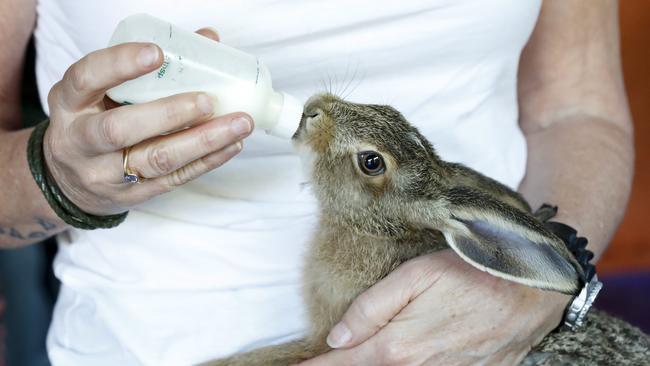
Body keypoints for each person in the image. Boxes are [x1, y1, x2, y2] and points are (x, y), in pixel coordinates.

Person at [0, 0, 633, 365]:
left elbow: (578, 109)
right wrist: (59, 178)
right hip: (148, 343)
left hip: (486, 334)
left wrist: (544, 285)